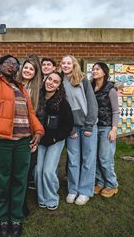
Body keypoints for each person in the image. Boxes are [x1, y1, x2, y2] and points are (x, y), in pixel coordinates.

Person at [0, 25, 44, 237]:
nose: (12, 66)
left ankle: (16, 217)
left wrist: (38, 132)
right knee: (2, 179)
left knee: (19, 179)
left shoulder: (21, 89)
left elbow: (31, 114)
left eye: (15, 64)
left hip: (23, 142)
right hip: (3, 141)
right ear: (1, 66)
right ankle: (3, 218)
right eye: (8, 63)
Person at [60, 54, 98, 206]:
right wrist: (69, 128)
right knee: (73, 160)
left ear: (74, 64)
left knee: (88, 159)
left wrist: (89, 125)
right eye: (63, 63)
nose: (66, 65)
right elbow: (62, 109)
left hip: (87, 125)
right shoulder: (59, 82)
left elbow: (92, 103)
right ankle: (73, 189)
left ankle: (85, 191)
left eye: (69, 63)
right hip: (72, 128)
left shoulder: (82, 80)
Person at [35, 71, 74, 210]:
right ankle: (42, 197)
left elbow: (68, 124)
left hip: (55, 140)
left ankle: (51, 197)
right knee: (39, 170)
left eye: (55, 82)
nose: (51, 83)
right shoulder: (38, 98)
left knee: (48, 171)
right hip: (40, 140)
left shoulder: (62, 102)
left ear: (58, 86)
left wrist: (55, 137)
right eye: (49, 79)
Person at [91, 62, 119, 198]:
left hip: (106, 127)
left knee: (105, 158)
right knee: (95, 157)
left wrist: (113, 129)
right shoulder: (90, 87)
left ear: (104, 72)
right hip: (94, 127)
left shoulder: (110, 89)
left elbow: (115, 111)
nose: (94, 71)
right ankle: (100, 182)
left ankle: (112, 185)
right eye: (93, 69)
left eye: (97, 69)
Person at [17, 57, 42, 191]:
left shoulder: (38, 90)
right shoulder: (14, 84)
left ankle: (24, 189)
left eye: (31, 69)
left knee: (27, 163)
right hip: (14, 129)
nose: (27, 70)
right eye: (26, 67)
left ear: (35, 73)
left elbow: (38, 114)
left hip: (29, 131)